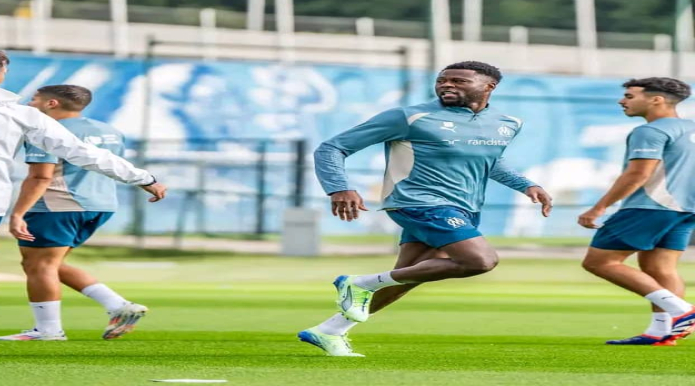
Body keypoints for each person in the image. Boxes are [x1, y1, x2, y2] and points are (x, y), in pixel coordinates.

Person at [0, 48, 167, 360]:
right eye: (1, 75)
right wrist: (143, 177)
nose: (2, 80)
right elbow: (81, 152)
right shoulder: (19, 113)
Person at [298, 61, 553, 357]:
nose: (447, 85)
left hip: (464, 208)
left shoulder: (508, 123)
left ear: (488, 87)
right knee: (481, 261)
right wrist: (339, 187)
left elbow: (487, 158)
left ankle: (330, 330)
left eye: (458, 81)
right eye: (443, 80)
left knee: (409, 275)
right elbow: (332, 148)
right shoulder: (410, 117)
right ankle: (359, 282)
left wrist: (525, 185)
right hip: (418, 203)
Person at [0, 85, 148, 342]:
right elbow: (115, 166)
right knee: (50, 265)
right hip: (101, 204)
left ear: (51, 103)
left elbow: (41, 176)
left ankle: (48, 330)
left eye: (35, 99)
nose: (30, 104)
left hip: (57, 204)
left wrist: (17, 213)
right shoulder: (111, 131)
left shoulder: (45, 130)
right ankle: (118, 305)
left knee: (39, 265)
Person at [579, 77, 695, 346]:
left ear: (656, 99)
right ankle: (662, 332)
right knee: (659, 267)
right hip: (686, 209)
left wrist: (599, 207)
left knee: (599, 262)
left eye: (630, 96)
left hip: (651, 206)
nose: (622, 101)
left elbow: (639, 173)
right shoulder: (690, 128)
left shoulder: (650, 131)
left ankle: (683, 311)